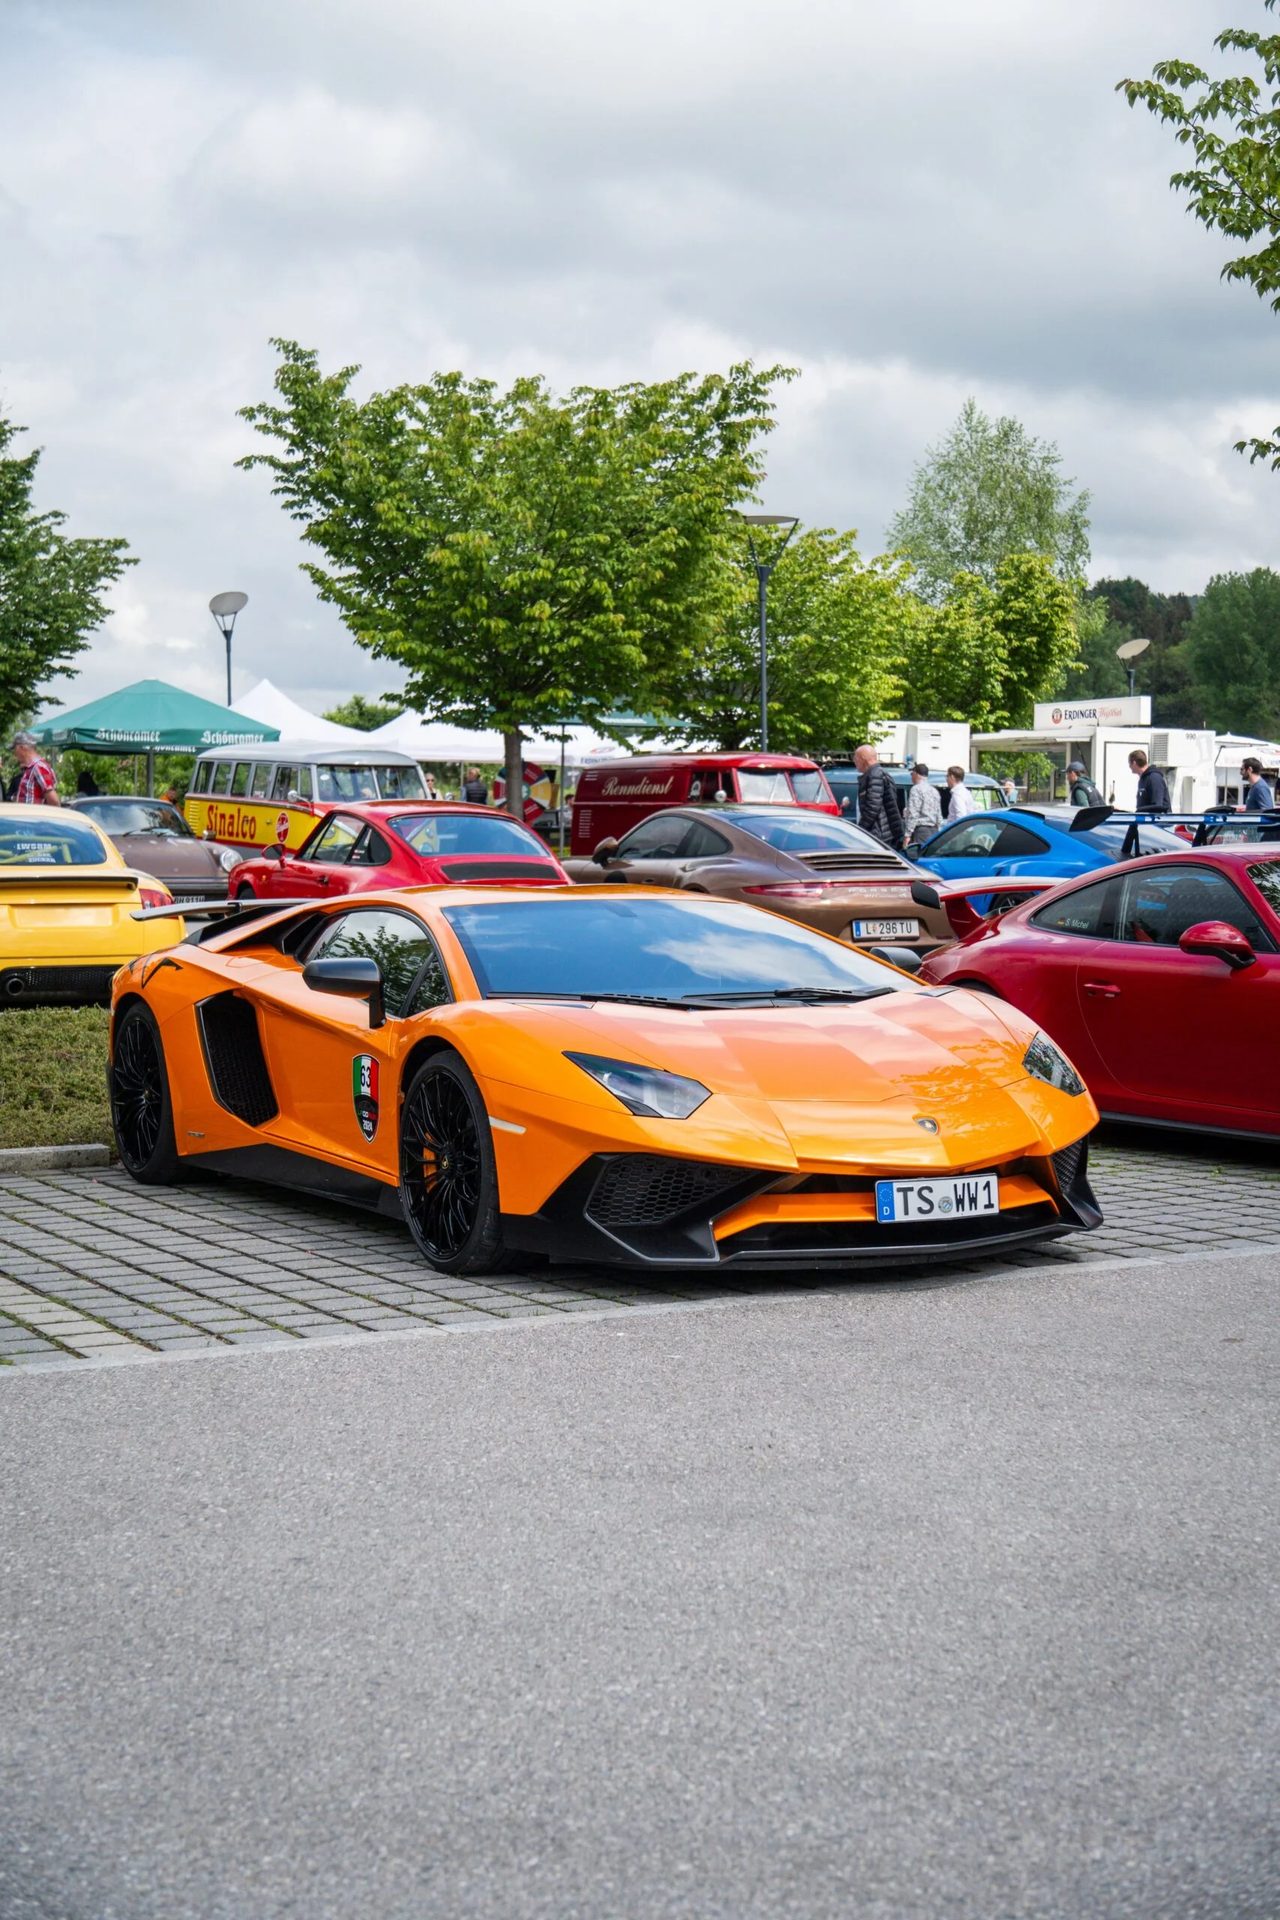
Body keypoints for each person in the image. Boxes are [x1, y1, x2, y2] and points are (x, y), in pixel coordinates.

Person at [852, 744, 904, 850]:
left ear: (863, 758)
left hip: (878, 835)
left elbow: (872, 808)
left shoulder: (875, 775)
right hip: (882, 834)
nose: (854, 761)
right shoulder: (878, 773)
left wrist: (860, 830)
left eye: (855, 758)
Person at [10, 731, 60, 806]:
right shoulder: (31, 768)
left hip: (35, 814)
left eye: (14, 749)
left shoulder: (39, 767)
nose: (14, 753)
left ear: (22, 748)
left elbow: (54, 800)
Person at [902, 762, 942, 844]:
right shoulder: (934, 790)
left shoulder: (916, 789)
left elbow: (913, 813)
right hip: (934, 830)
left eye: (912, 774)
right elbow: (939, 814)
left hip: (921, 831)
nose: (911, 776)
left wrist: (908, 834)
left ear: (916, 774)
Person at [1128, 749, 1170, 813]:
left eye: (1129, 763)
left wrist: (1139, 811)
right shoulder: (1142, 780)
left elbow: (1157, 806)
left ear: (1134, 763)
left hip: (1159, 818)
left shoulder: (1154, 778)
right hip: (1145, 818)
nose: (1129, 766)